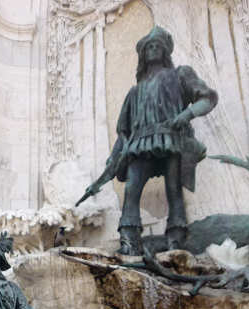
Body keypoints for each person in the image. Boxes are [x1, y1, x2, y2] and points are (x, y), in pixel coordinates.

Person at [78, 26, 217, 254]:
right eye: (149, 46)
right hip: (140, 144)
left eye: (157, 46)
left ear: (165, 52)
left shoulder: (180, 75)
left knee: (173, 189)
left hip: (170, 138)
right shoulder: (134, 92)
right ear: (143, 54)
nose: (153, 49)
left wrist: (186, 115)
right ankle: (129, 239)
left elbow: (207, 98)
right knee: (132, 188)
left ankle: (176, 239)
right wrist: (111, 163)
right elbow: (123, 134)